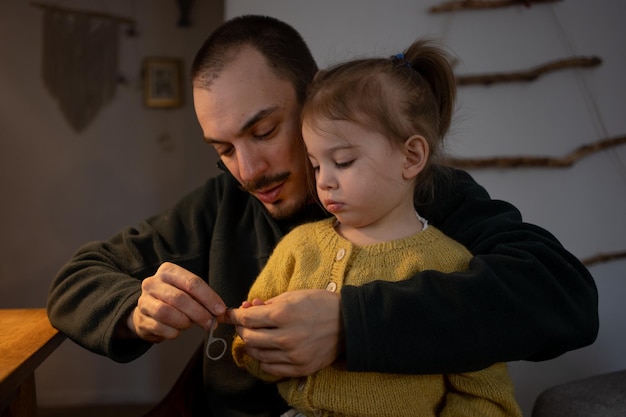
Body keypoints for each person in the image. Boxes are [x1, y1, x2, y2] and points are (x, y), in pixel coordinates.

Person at [46, 14, 598, 416]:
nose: (248, 169)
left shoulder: (428, 196)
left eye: (264, 131)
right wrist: (134, 309)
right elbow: (76, 279)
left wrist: (348, 324)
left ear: (313, 100)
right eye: (223, 148)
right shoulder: (221, 204)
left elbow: (562, 295)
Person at [231, 39, 523, 417]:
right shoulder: (299, 247)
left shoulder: (451, 266)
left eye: (344, 161)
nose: (325, 182)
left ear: (411, 156)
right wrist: (256, 342)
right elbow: (252, 347)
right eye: (317, 165)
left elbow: (485, 396)